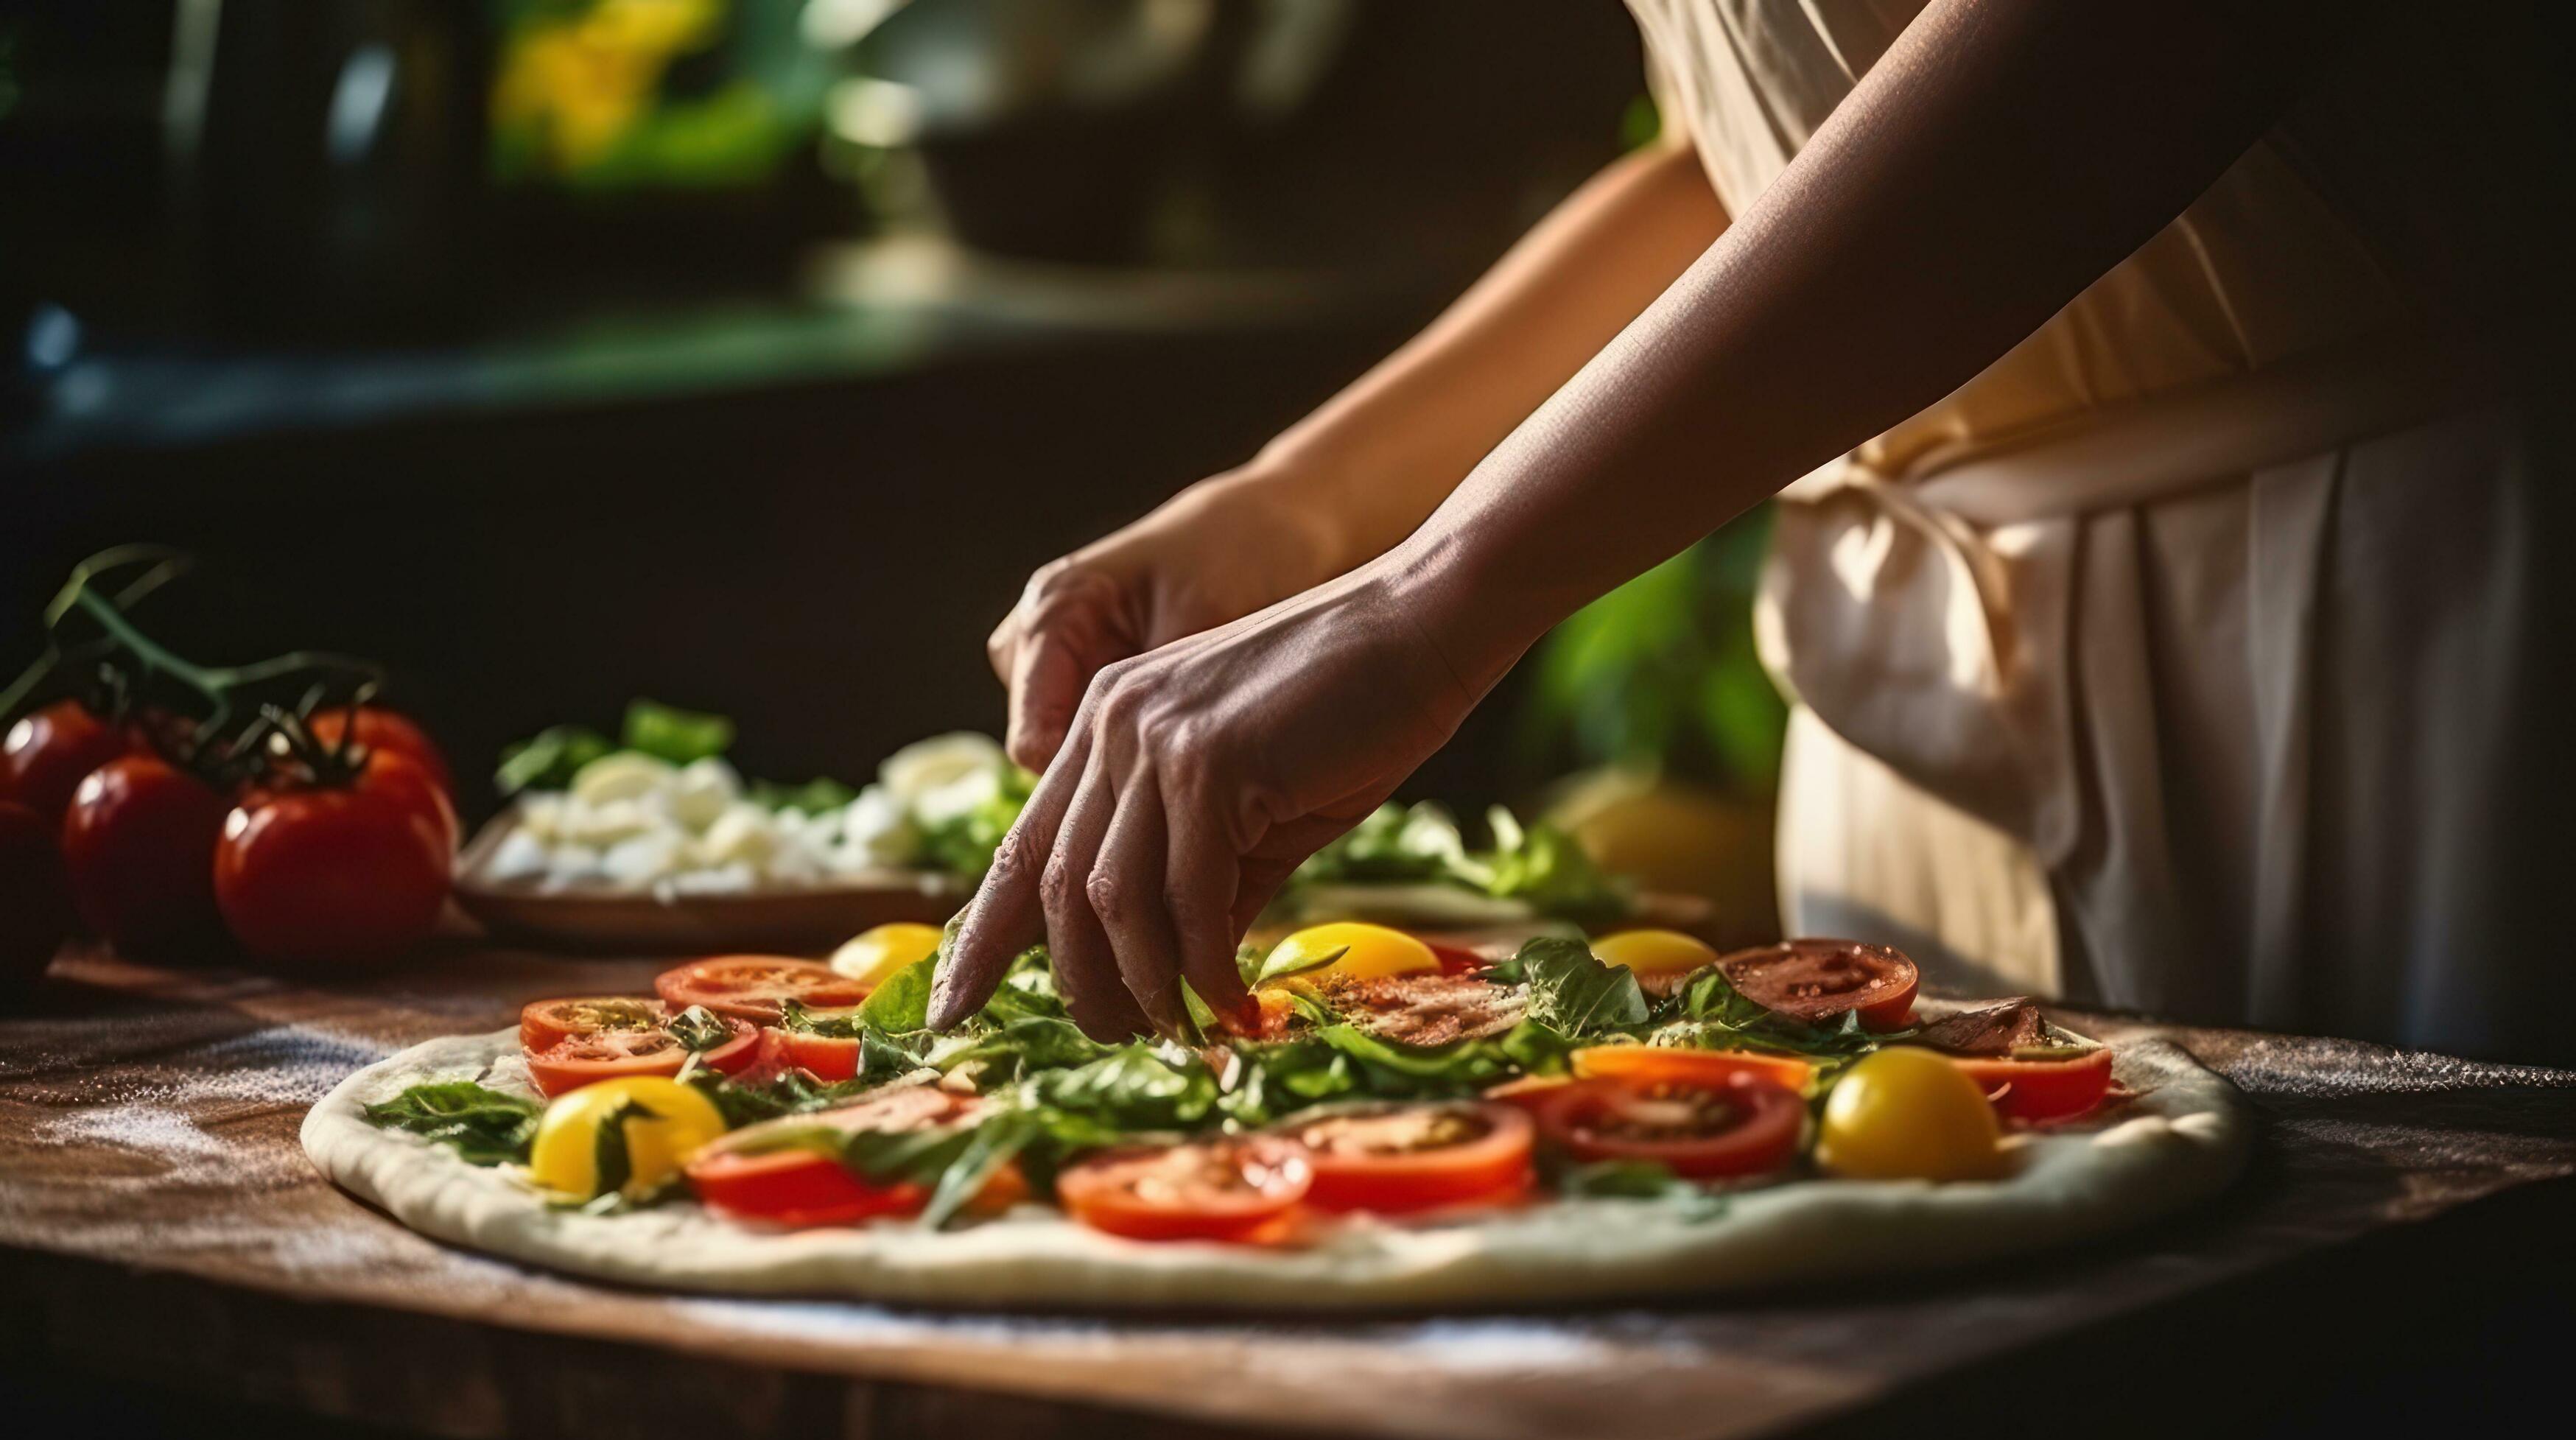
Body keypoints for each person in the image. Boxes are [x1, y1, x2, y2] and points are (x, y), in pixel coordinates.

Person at [928, 0, 2558, 1060]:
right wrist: (1309, 498)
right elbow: (1759, 159)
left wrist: (1436, 593)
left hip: (2401, 620)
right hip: (1915, 698)